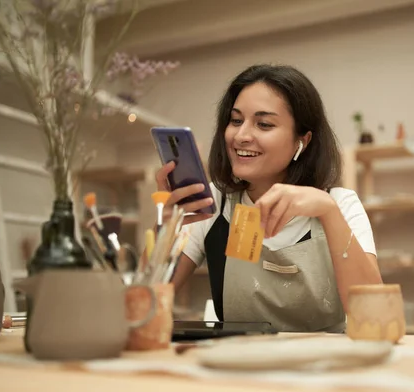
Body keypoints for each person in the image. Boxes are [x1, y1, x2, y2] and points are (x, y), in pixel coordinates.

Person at [154, 64, 382, 333]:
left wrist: (328, 212)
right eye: (236, 120)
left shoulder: (340, 204)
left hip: (323, 369)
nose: (241, 136)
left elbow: (375, 318)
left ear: (303, 140)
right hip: (237, 369)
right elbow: (146, 311)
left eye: (264, 124)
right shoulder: (213, 202)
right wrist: (164, 234)